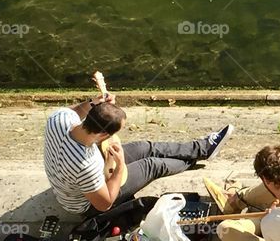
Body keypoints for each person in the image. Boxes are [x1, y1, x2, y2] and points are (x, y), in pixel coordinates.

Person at [43, 92, 233, 215]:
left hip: (72, 174)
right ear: (103, 134)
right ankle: (189, 161)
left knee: (144, 147)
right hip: (85, 204)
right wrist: (119, 166)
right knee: (151, 165)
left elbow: (76, 110)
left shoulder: (59, 118)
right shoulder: (86, 165)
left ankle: (201, 149)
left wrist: (94, 102)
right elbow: (105, 203)